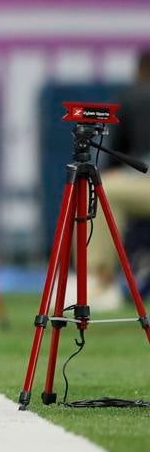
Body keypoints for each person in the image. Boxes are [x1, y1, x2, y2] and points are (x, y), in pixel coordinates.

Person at [86, 50, 150, 311]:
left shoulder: (133, 97)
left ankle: (100, 280)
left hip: (139, 185)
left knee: (104, 189)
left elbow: (114, 161)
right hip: (141, 185)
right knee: (105, 188)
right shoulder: (135, 99)